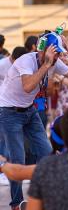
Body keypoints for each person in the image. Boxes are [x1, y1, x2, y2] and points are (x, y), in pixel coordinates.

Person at [0, 31, 68, 210]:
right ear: (43, 50)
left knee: (46, 152)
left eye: (59, 53)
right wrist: (46, 64)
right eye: (55, 53)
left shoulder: (55, 62)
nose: (57, 58)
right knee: (18, 157)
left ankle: (47, 194)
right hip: (8, 111)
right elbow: (28, 85)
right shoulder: (26, 61)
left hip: (29, 110)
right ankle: (17, 202)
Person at [0, 47, 27, 187]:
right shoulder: (3, 64)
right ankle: (4, 170)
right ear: (12, 58)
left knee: (9, 140)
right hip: (3, 105)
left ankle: (6, 169)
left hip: (13, 105)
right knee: (4, 140)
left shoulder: (22, 65)